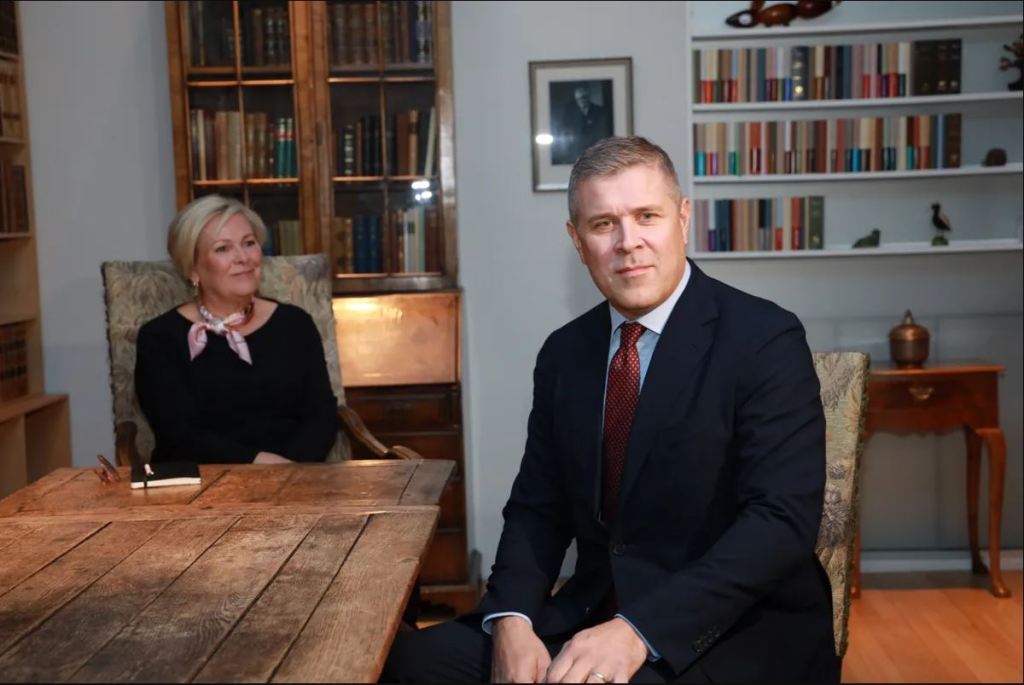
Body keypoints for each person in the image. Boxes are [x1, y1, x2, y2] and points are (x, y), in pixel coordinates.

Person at [381, 137, 837, 683]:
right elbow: (538, 508)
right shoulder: (564, 353)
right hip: (592, 610)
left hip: (732, 628)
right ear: (577, 242)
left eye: (647, 216)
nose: (628, 242)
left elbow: (779, 523)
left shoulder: (764, 338)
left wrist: (639, 630)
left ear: (683, 219)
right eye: (603, 224)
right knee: (408, 664)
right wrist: (512, 620)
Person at [135, 194, 338, 465]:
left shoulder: (295, 323)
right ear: (193, 269)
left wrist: (292, 470)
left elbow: (322, 416)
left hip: (296, 477)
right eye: (223, 249)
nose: (243, 258)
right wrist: (259, 463)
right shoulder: (160, 338)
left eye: (249, 243)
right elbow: (178, 434)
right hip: (202, 484)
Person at [553, 84, 613, 165]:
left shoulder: (599, 111)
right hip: (576, 150)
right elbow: (567, 131)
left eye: (584, 97)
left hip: (594, 150)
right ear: (576, 99)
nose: (582, 101)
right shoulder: (569, 112)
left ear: (588, 97)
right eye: (579, 99)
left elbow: (602, 132)